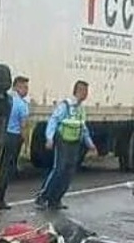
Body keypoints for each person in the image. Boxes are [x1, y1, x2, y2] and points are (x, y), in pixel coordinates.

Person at [34, 80, 97, 210]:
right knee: (59, 169)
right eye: (84, 91)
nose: (86, 94)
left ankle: (56, 199)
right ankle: (43, 196)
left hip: (75, 142)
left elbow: (83, 127)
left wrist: (90, 144)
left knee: (69, 172)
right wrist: (49, 138)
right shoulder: (65, 106)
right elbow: (53, 120)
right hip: (63, 140)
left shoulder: (81, 109)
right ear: (78, 91)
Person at [0, 75, 30, 210]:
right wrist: (26, 143)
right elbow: (24, 126)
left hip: (0, 136)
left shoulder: (5, 100)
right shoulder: (22, 104)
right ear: (17, 87)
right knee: (6, 169)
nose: (26, 90)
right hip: (13, 138)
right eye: (24, 87)